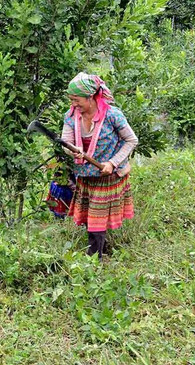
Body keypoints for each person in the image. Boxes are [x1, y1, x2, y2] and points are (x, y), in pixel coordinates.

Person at [61, 72, 139, 258]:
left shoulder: (112, 115)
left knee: (97, 218)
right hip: (85, 175)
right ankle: (99, 250)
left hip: (107, 175)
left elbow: (131, 140)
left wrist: (112, 163)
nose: (73, 104)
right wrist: (73, 150)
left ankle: (93, 258)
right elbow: (66, 141)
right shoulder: (71, 116)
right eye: (71, 100)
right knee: (92, 216)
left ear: (90, 97)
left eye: (76, 99)